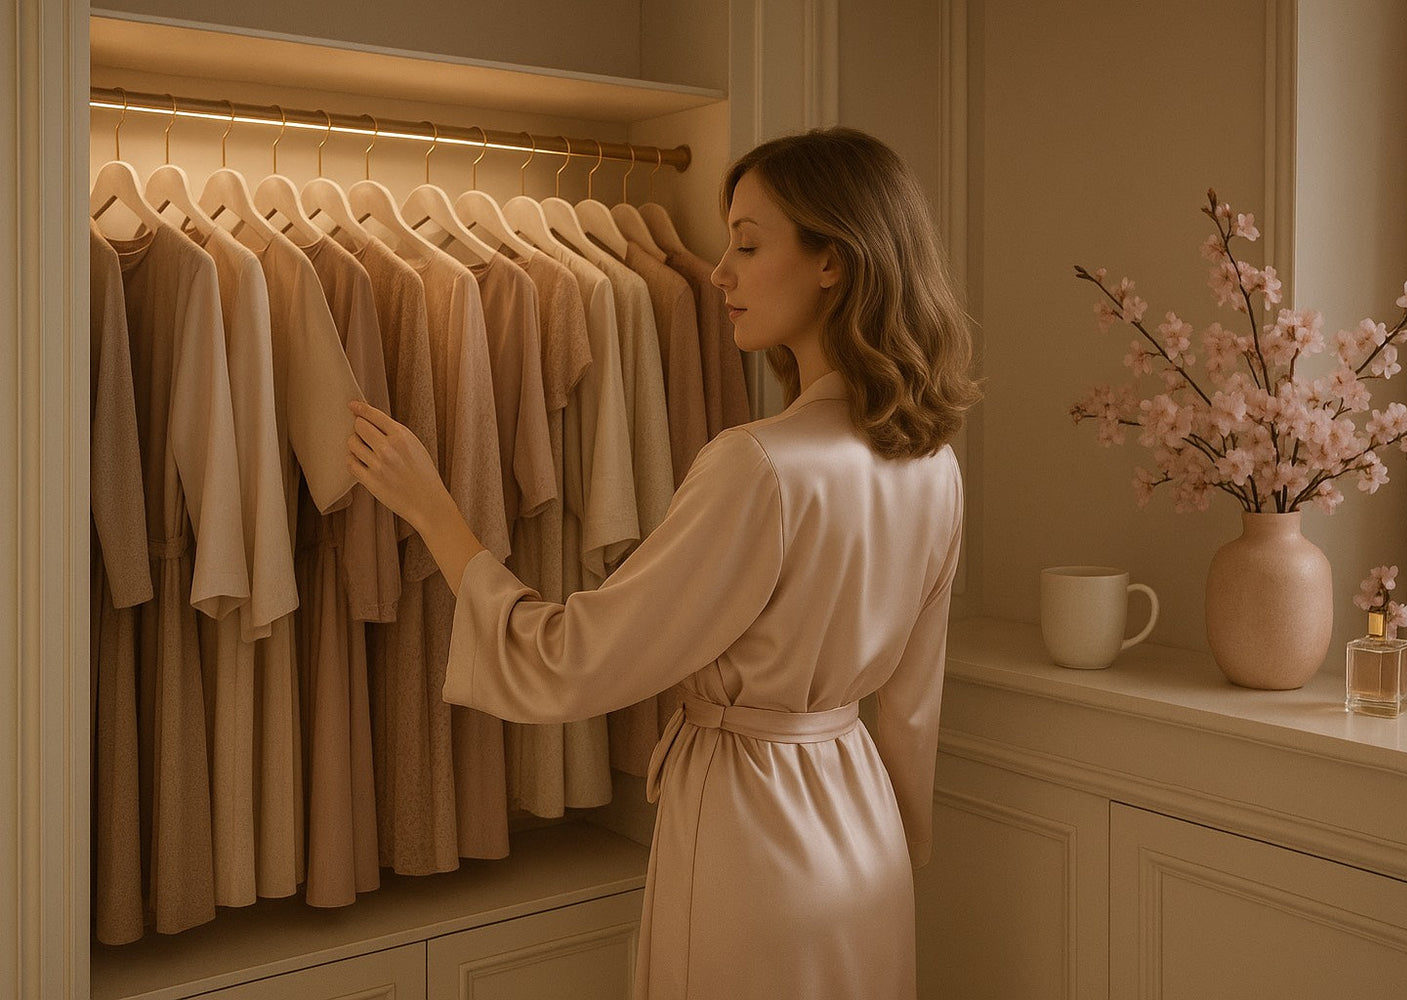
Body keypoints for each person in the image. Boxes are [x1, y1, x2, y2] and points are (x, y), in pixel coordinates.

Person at [347, 125, 981, 1000]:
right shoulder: (934, 466)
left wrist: (436, 514)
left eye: (748, 244)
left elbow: (572, 660)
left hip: (754, 846)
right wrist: (893, 859)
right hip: (866, 843)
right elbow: (910, 715)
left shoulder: (758, 466)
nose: (718, 271)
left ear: (833, 261)